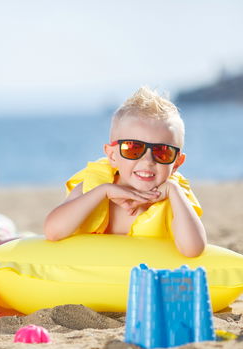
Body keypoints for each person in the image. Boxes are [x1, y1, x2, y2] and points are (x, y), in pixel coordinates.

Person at [43, 86, 206, 257]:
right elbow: (53, 231)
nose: (148, 161)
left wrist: (174, 191)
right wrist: (103, 191)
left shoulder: (175, 198)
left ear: (177, 163)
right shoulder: (94, 187)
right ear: (112, 155)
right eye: (133, 148)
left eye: (163, 152)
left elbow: (193, 250)